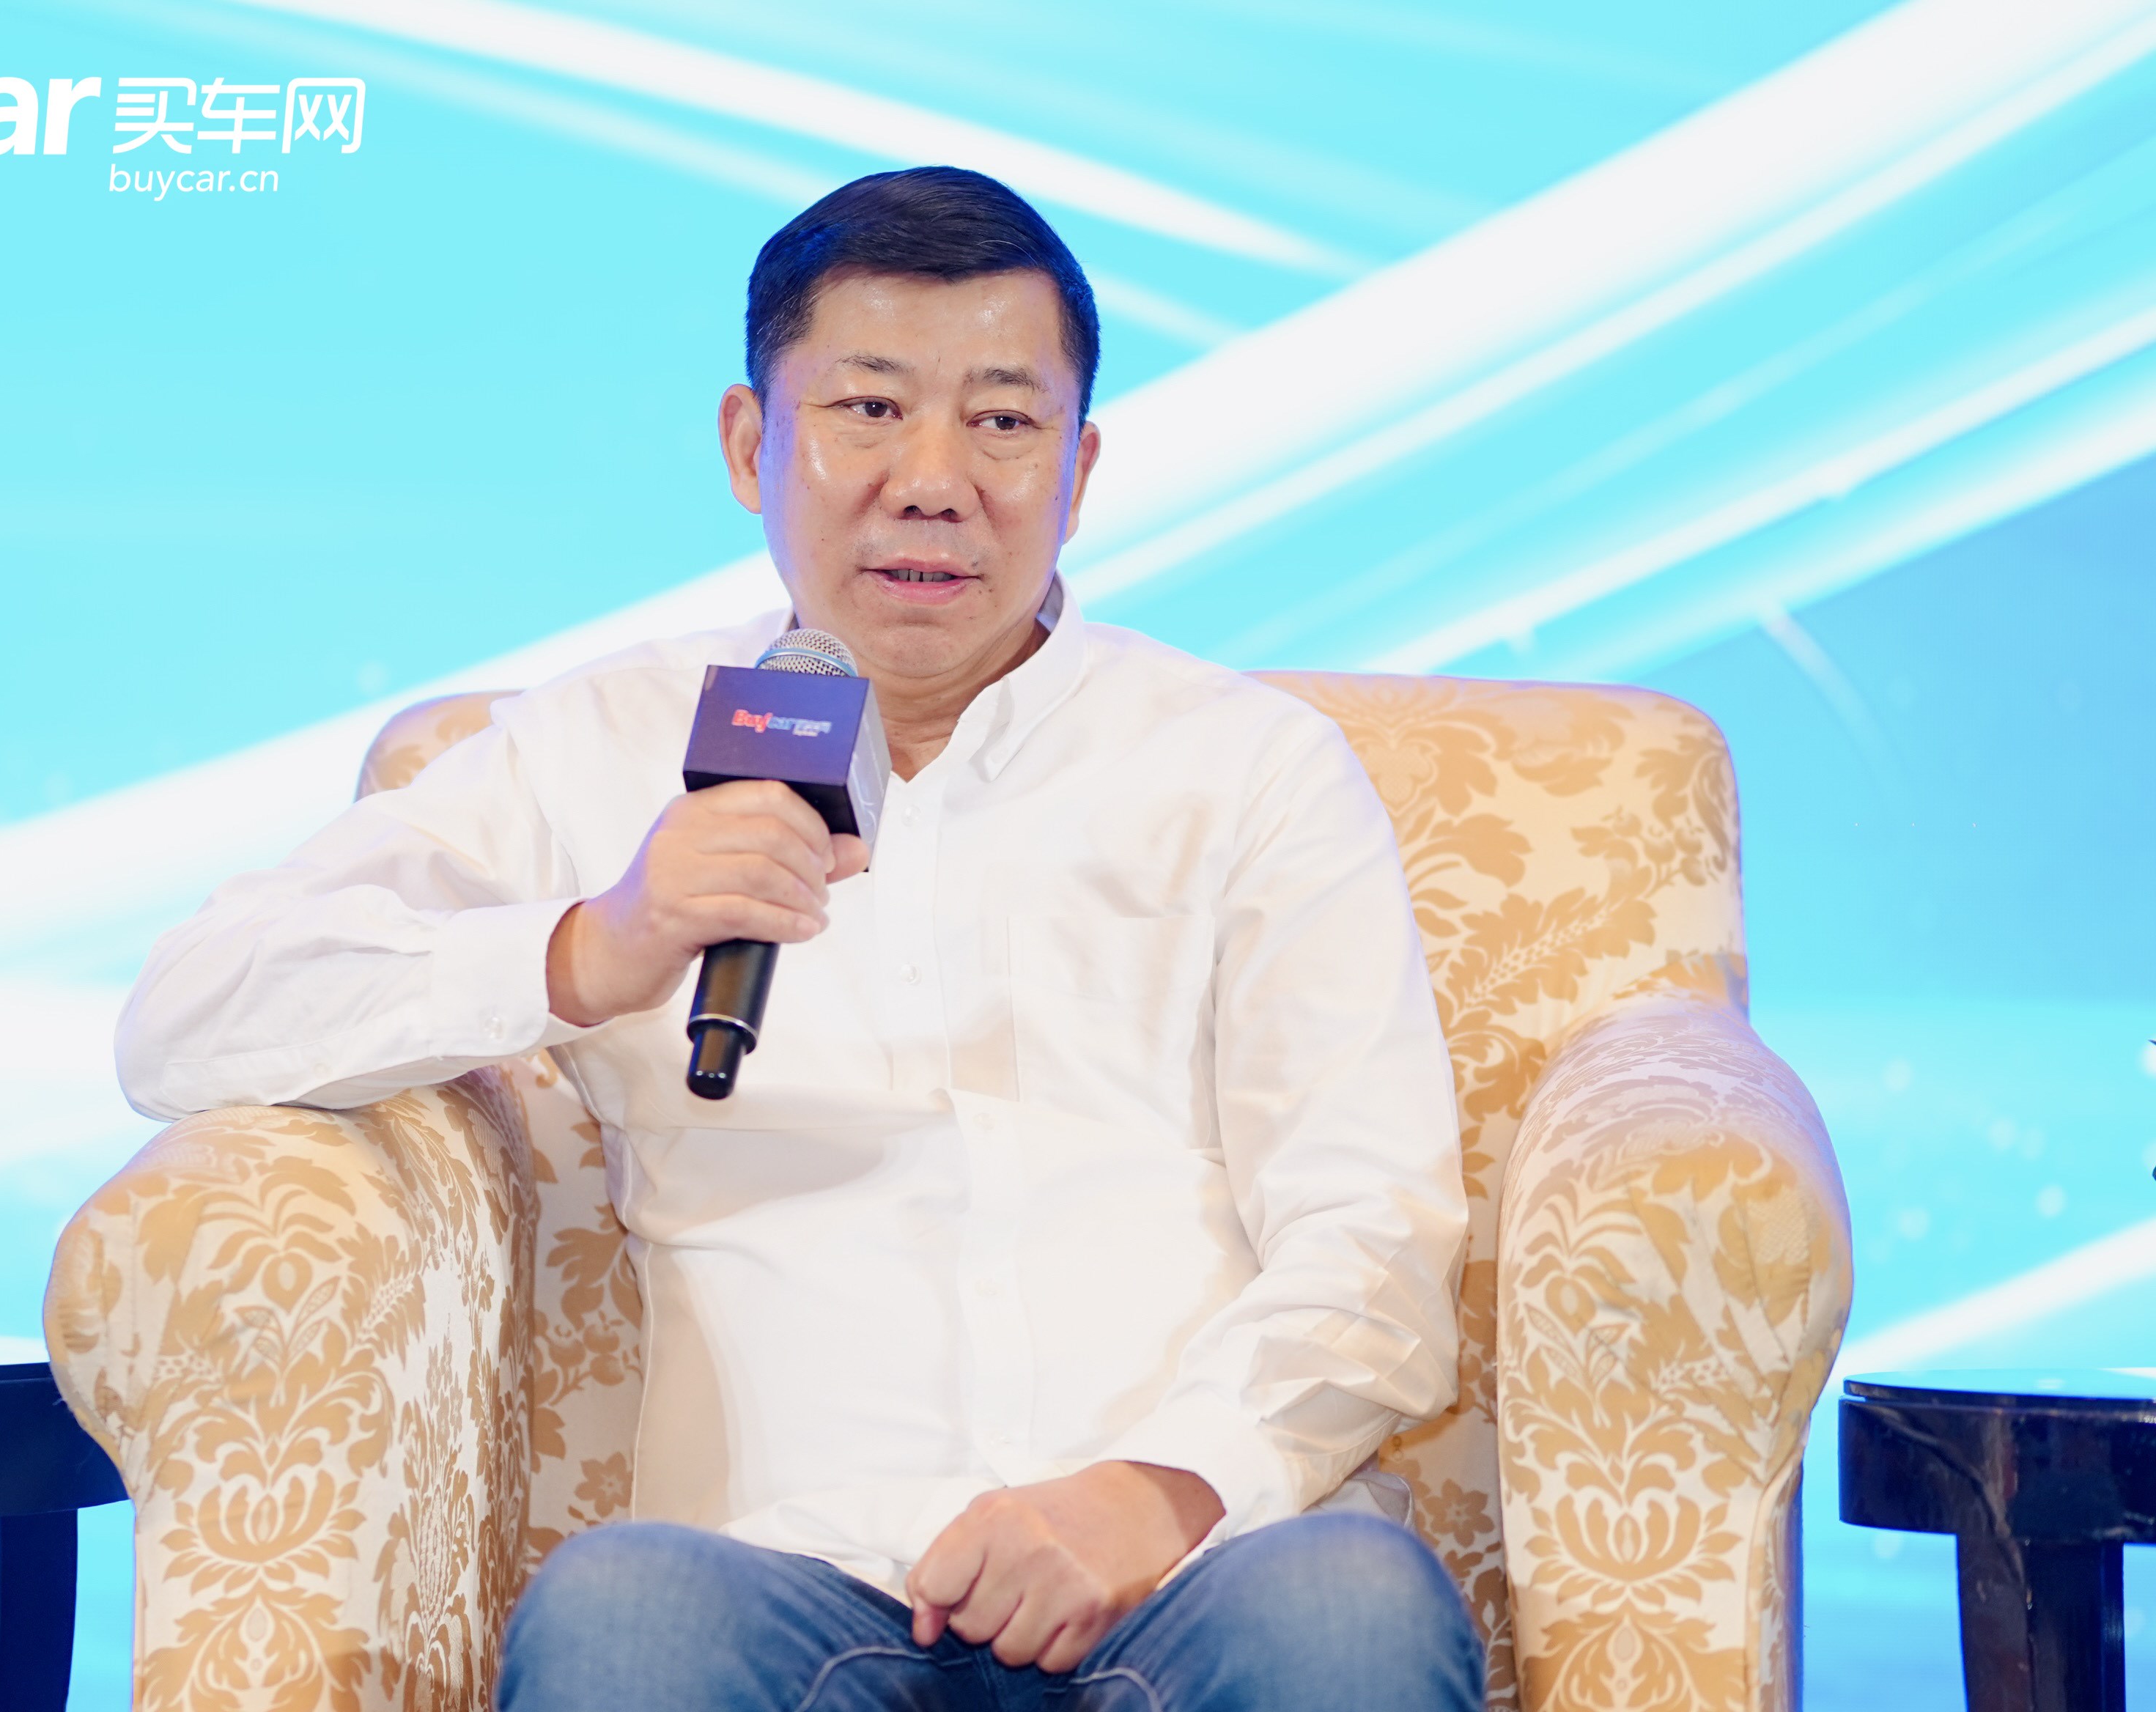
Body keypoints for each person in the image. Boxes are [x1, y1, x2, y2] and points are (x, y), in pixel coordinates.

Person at [117, 166, 1483, 1711]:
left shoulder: (1248, 767)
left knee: (1354, 1611)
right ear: (748, 443)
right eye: (870, 409)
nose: (933, 480)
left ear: (1081, 465)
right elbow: (185, 1015)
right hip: (790, 1593)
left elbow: (1372, 1228)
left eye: (1004, 420)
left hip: (1199, 1572)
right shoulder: (598, 748)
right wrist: (591, 948)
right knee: (621, 1616)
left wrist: (1159, 1489)